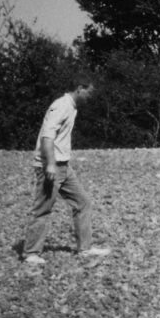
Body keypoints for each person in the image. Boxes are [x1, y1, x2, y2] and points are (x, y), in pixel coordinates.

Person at [21, 77, 110, 265]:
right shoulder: (59, 105)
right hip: (50, 166)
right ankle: (30, 253)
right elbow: (47, 137)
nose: (91, 97)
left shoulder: (72, 107)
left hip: (64, 167)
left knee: (83, 202)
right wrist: (50, 165)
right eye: (90, 92)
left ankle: (84, 248)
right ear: (80, 88)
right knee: (42, 209)